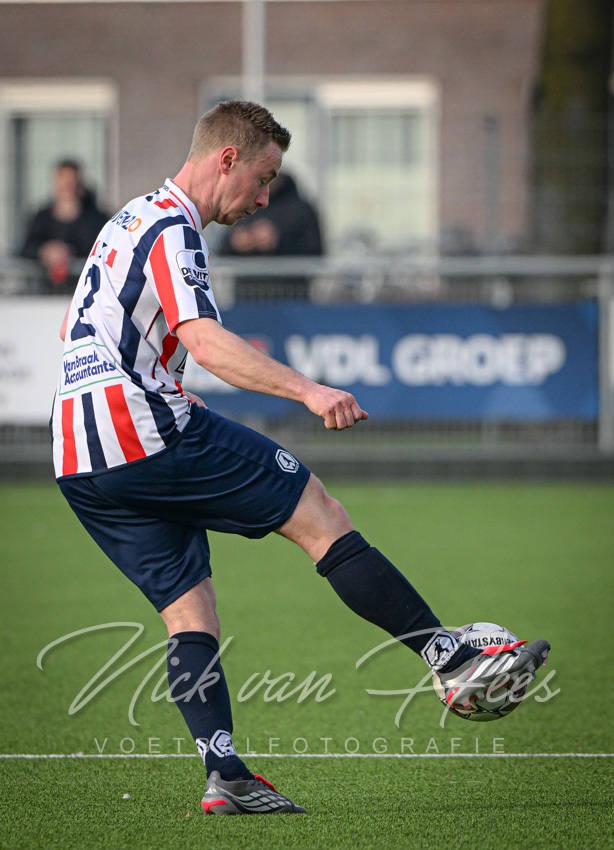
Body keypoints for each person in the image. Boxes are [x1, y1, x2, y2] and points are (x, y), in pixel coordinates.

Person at [51, 100, 550, 816]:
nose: (263, 199)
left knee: (189, 611)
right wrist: (308, 390)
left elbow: (79, 331)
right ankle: (451, 658)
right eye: (263, 179)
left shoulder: (126, 219)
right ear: (227, 159)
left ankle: (226, 775)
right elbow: (205, 342)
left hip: (78, 455)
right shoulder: (173, 227)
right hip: (141, 429)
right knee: (319, 513)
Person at [216, 170, 323, 299]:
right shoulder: (243, 205)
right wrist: (236, 243)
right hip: (247, 298)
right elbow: (222, 251)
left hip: (290, 297)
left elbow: (315, 252)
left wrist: (278, 241)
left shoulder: (301, 210)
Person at [19, 159, 108, 294]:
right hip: (43, 291)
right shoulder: (41, 217)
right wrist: (45, 251)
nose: (67, 187)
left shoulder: (96, 219)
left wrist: (70, 253)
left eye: (70, 182)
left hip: (84, 291)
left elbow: (103, 249)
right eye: (63, 182)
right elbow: (26, 248)